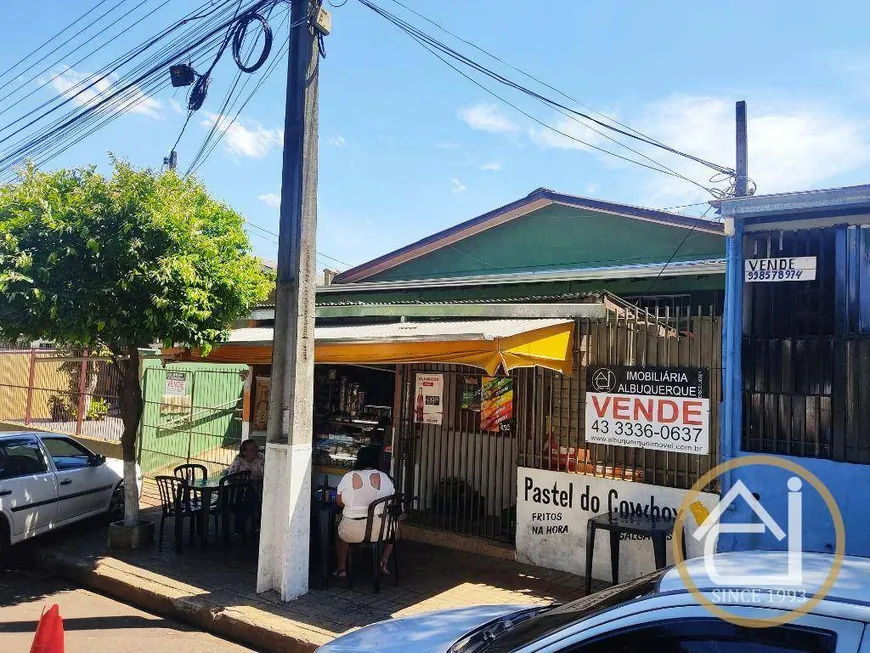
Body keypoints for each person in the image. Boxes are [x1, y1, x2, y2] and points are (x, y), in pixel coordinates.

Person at [334, 446, 395, 579]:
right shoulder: (385, 478)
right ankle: (383, 561)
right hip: (382, 531)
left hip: (352, 530)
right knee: (394, 526)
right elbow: (391, 501)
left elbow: (339, 502)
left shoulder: (349, 477)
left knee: (340, 533)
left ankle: (341, 568)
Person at [224, 439, 265, 533]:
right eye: (253, 449)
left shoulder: (260, 458)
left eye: (256, 448)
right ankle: (244, 526)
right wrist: (246, 479)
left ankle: (253, 524)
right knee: (246, 497)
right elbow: (231, 474)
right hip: (240, 488)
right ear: (245, 451)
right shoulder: (239, 459)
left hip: (258, 486)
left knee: (251, 495)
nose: (256, 450)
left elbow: (264, 474)